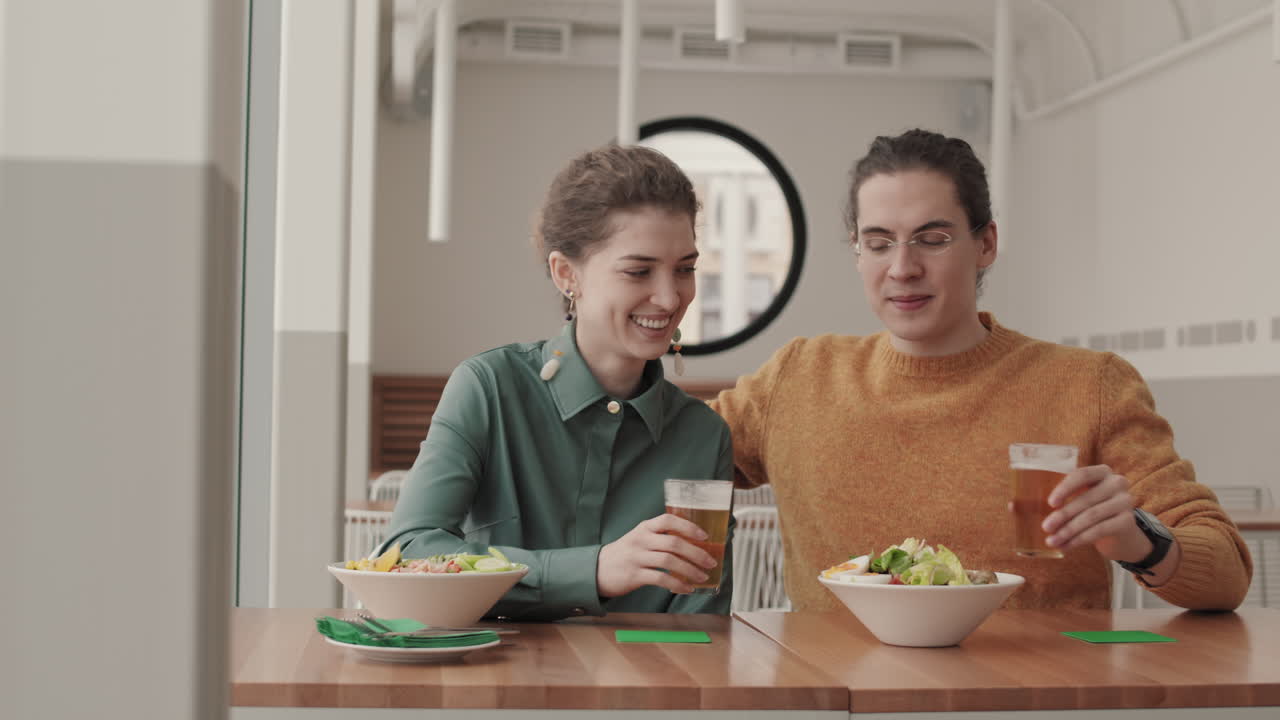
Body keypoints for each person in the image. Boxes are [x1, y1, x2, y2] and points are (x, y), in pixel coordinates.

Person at [711, 129, 1251, 611]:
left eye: (933, 239)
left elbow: (1227, 574)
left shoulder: (1090, 385)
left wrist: (1140, 540)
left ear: (986, 244)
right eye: (878, 243)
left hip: (1037, 685)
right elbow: (673, 454)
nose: (902, 267)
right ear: (858, 254)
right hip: (837, 684)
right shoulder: (799, 376)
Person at [382, 144, 734, 621]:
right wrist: (594, 570)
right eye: (638, 271)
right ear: (567, 274)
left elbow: (699, 627)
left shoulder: (702, 436)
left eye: (685, 269)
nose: (670, 298)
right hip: (496, 667)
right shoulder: (489, 389)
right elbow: (407, 553)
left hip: (643, 671)